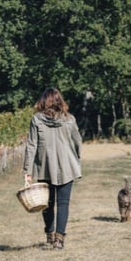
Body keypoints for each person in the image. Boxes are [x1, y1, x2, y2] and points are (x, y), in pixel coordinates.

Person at [22, 87, 82, 250]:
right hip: (67, 166)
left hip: (45, 166)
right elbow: (77, 141)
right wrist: (76, 158)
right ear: (59, 101)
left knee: (46, 203)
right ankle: (59, 239)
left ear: (43, 101)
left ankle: (50, 234)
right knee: (63, 203)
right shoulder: (69, 119)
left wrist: (28, 171)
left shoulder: (36, 119)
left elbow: (31, 145)